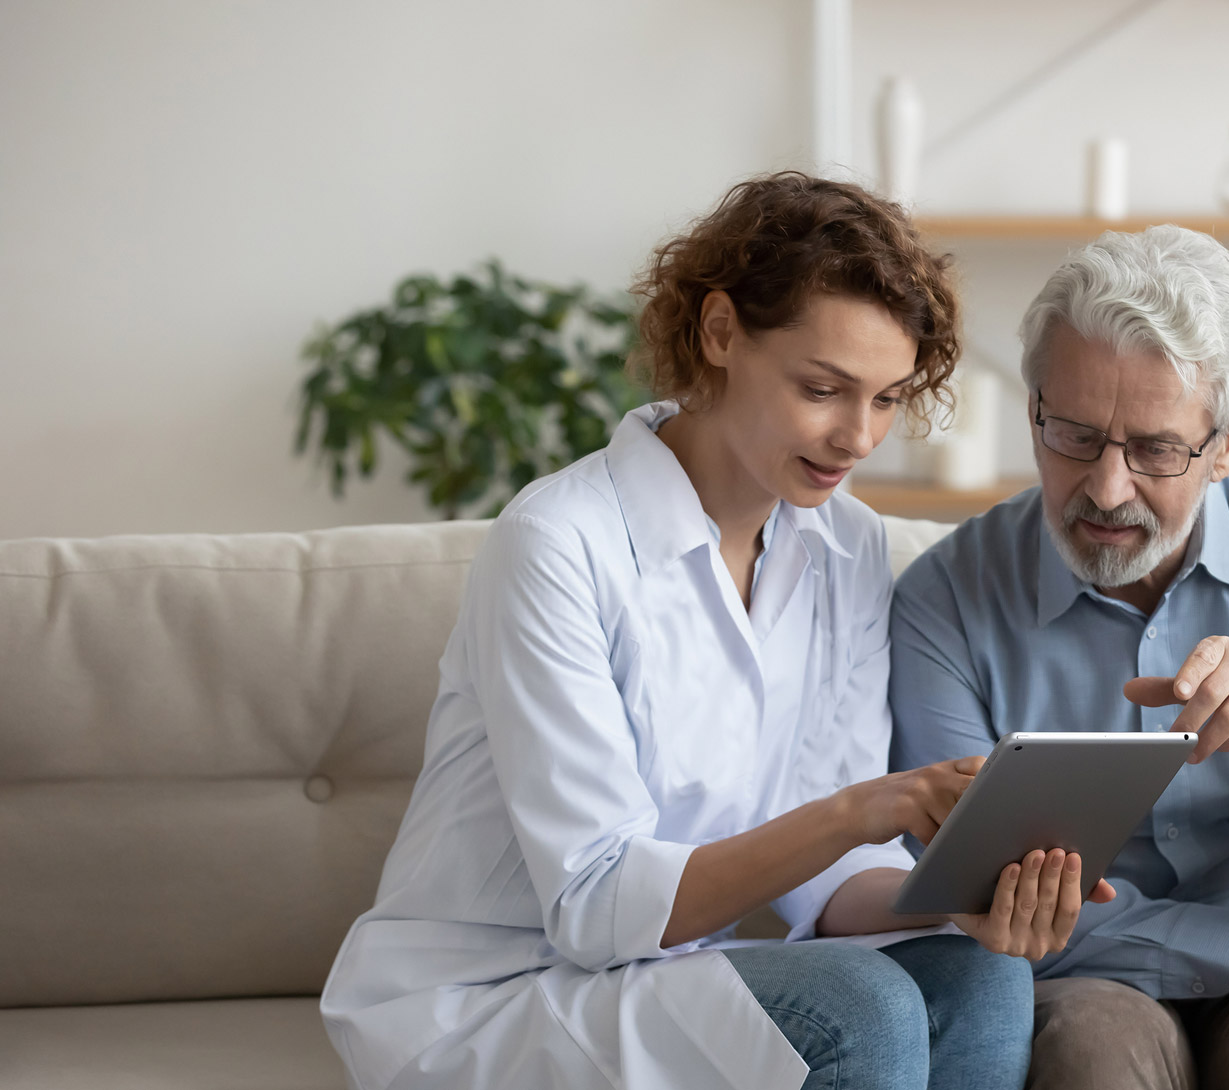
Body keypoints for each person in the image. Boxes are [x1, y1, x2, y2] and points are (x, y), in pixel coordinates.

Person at [321, 172, 1109, 1090]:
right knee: (864, 1005)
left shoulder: (846, 544)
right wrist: (870, 806)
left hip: (672, 981)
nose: (858, 437)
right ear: (721, 331)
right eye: (824, 388)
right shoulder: (558, 544)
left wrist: (962, 901)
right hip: (493, 995)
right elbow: (595, 906)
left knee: (980, 973)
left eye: (889, 398)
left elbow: (824, 887)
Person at [888, 225, 1229, 1090]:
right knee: (1088, 1049)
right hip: (1085, 978)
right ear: (1034, 408)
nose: (1107, 490)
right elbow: (969, 903)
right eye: (1073, 435)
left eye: (1155, 450)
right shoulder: (945, 602)